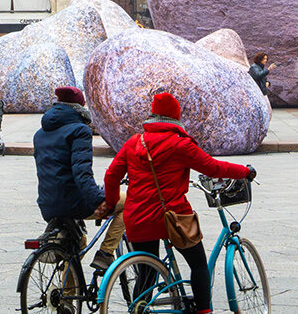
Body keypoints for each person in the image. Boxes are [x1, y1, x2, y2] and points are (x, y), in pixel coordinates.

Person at [97, 92, 254, 314]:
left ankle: (139, 307)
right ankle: (203, 311)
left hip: (137, 217)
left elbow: (111, 176)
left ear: (152, 116)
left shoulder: (134, 142)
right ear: (175, 118)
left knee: (146, 271)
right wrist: (245, 171)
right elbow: (213, 168)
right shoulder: (181, 145)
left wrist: (113, 203)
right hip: (173, 217)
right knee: (198, 264)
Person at [33, 87, 124, 276]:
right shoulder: (79, 130)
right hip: (74, 202)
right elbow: (81, 173)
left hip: (48, 204)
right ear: (80, 106)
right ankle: (106, 254)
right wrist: (98, 200)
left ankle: (66, 298)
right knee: (131, 201)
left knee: (77, 243)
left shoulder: (40, 134)